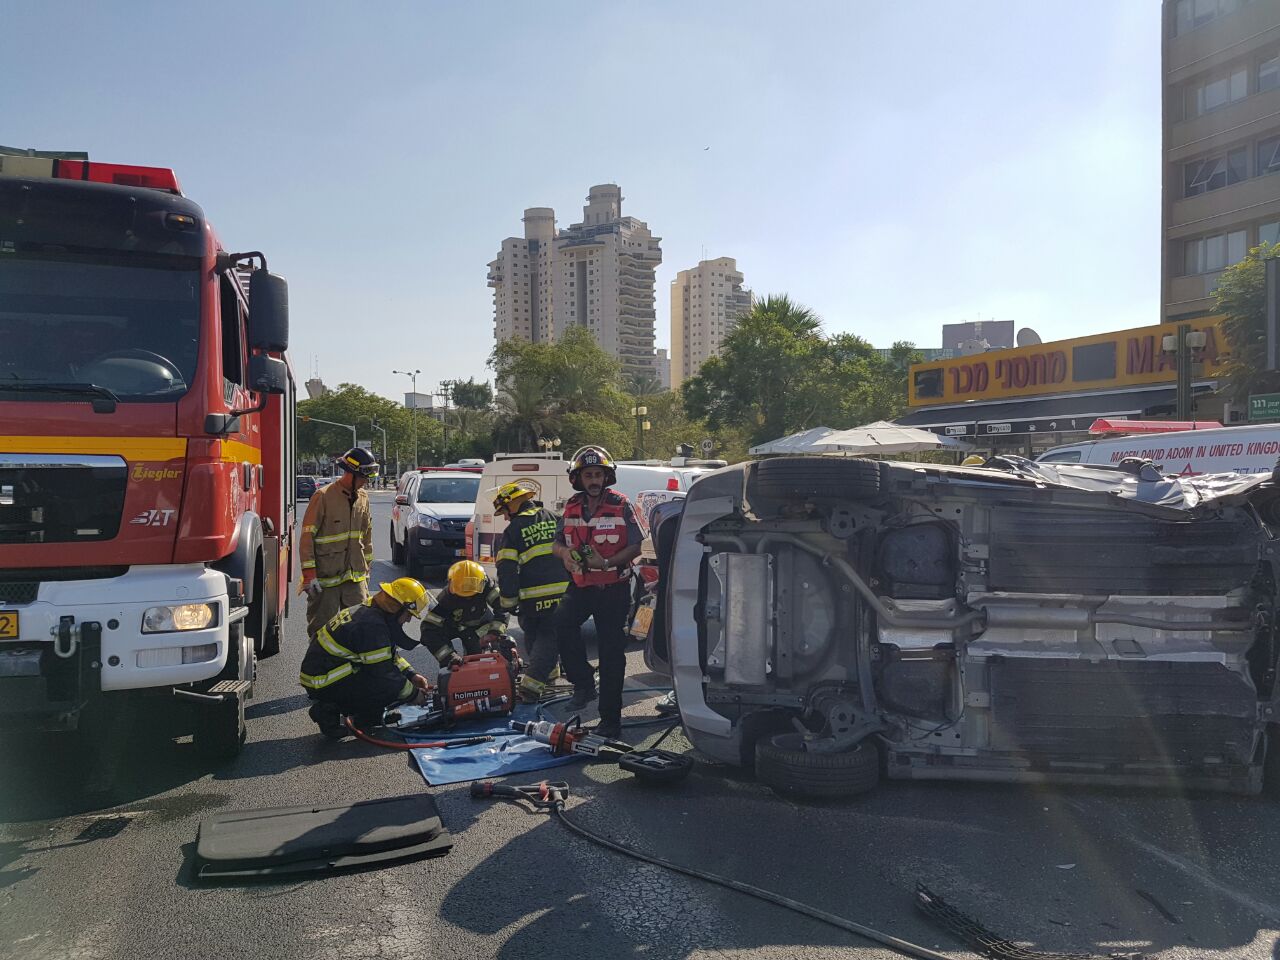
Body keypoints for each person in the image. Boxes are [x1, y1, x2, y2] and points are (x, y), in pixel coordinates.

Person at [552, 446, 644, 740]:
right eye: (588, 475)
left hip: (613, 591)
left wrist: (606, 562)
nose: (593, 480)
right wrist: (565, 553)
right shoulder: (572, 506)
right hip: (580, 586)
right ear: (578, 478)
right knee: (561, 624)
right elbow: (557, 543)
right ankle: (583, 684)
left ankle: (610, 722)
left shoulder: (622, 505)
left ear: (607, 477)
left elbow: (636, 545)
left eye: (598, 474)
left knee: (612, 655)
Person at [300, 578, 430, 738]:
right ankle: (327, 710)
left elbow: (388, 656)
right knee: (387, 683)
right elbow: (383, 673)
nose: (409, 619)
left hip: (327, 672)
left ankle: (367, 717)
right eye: (408, 614)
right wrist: (414, 695)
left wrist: (411, 674)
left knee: (388, 679)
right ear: (396, 608)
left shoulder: (372, 611)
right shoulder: (371, 626)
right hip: (322, 681)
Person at [491, 480, 573, 703]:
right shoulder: (555, 519)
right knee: (543, 638)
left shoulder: (513, 530)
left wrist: (508, 602)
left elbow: (506, 569)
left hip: (533, 598)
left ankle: (530, 689)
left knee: (542, 638)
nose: (505, 517)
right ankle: (549, 677)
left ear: (513, 504)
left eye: (505, 512)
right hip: (564, 594)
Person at [298, 447, 377, 638]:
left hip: (355, 578)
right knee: (323, 631)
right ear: (350, 473)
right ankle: (318, 667)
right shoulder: (323, 497)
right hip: (326, 579)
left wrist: (366, 570)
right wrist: (309, 575)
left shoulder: (363, 498)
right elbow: (307, 537)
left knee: (361, 628)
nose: (366, 481)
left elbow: (366, 536)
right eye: (363, 476)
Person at [419, 560, 513, 667]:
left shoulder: (487, 585)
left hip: (478, 626)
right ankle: (451, 666)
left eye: (472, 590)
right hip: (453, 627)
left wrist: (494, 632)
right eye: (463, 592)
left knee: (480, 660)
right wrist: (450, 657)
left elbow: (503, 606)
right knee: (452, 663)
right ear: (452, 585)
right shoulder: (445, 599)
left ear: (482, 582)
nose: (468, 597)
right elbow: (429, 629)